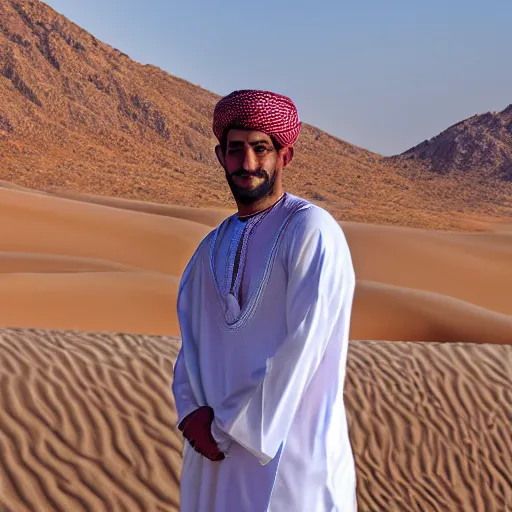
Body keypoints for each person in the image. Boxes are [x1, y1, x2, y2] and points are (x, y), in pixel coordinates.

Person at [172, 89, 357, 511]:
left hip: (294, 463)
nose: (248, 163)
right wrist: (189, 412)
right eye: (236, 150)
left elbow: (304, 345)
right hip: (216, 463)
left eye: (261, 149)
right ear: (220, 156)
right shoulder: (210, 248)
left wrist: (227, 428)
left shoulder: (312, 230)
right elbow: (192, 343)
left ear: (284, 156)